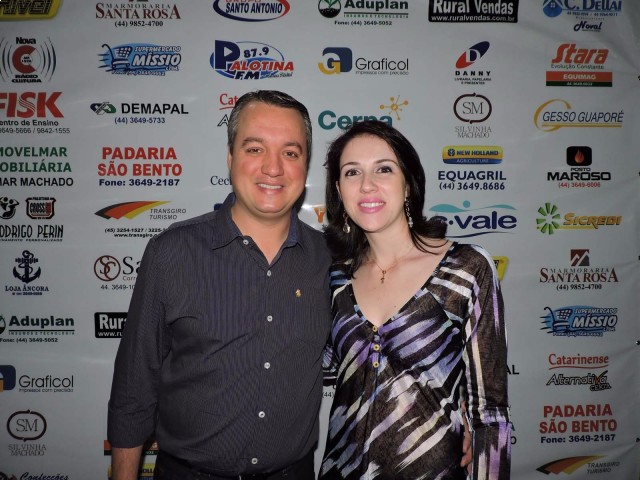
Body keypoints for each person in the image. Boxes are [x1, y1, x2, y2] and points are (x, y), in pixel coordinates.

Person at [107, 90, 333, 480]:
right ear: (230, 157)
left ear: (305, 164)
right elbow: (134, 387)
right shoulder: (171, 253)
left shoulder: (330, 260)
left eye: (290, 152)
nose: (273, 168)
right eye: (255, 149)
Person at [319, 120, 511, 479]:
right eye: (352, 172)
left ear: (408, 184)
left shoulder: (466, 268)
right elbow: (309, 363)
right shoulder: (335, 278)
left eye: (384, 169)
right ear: (339, 191)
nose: (367, 185)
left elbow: (490, 412)